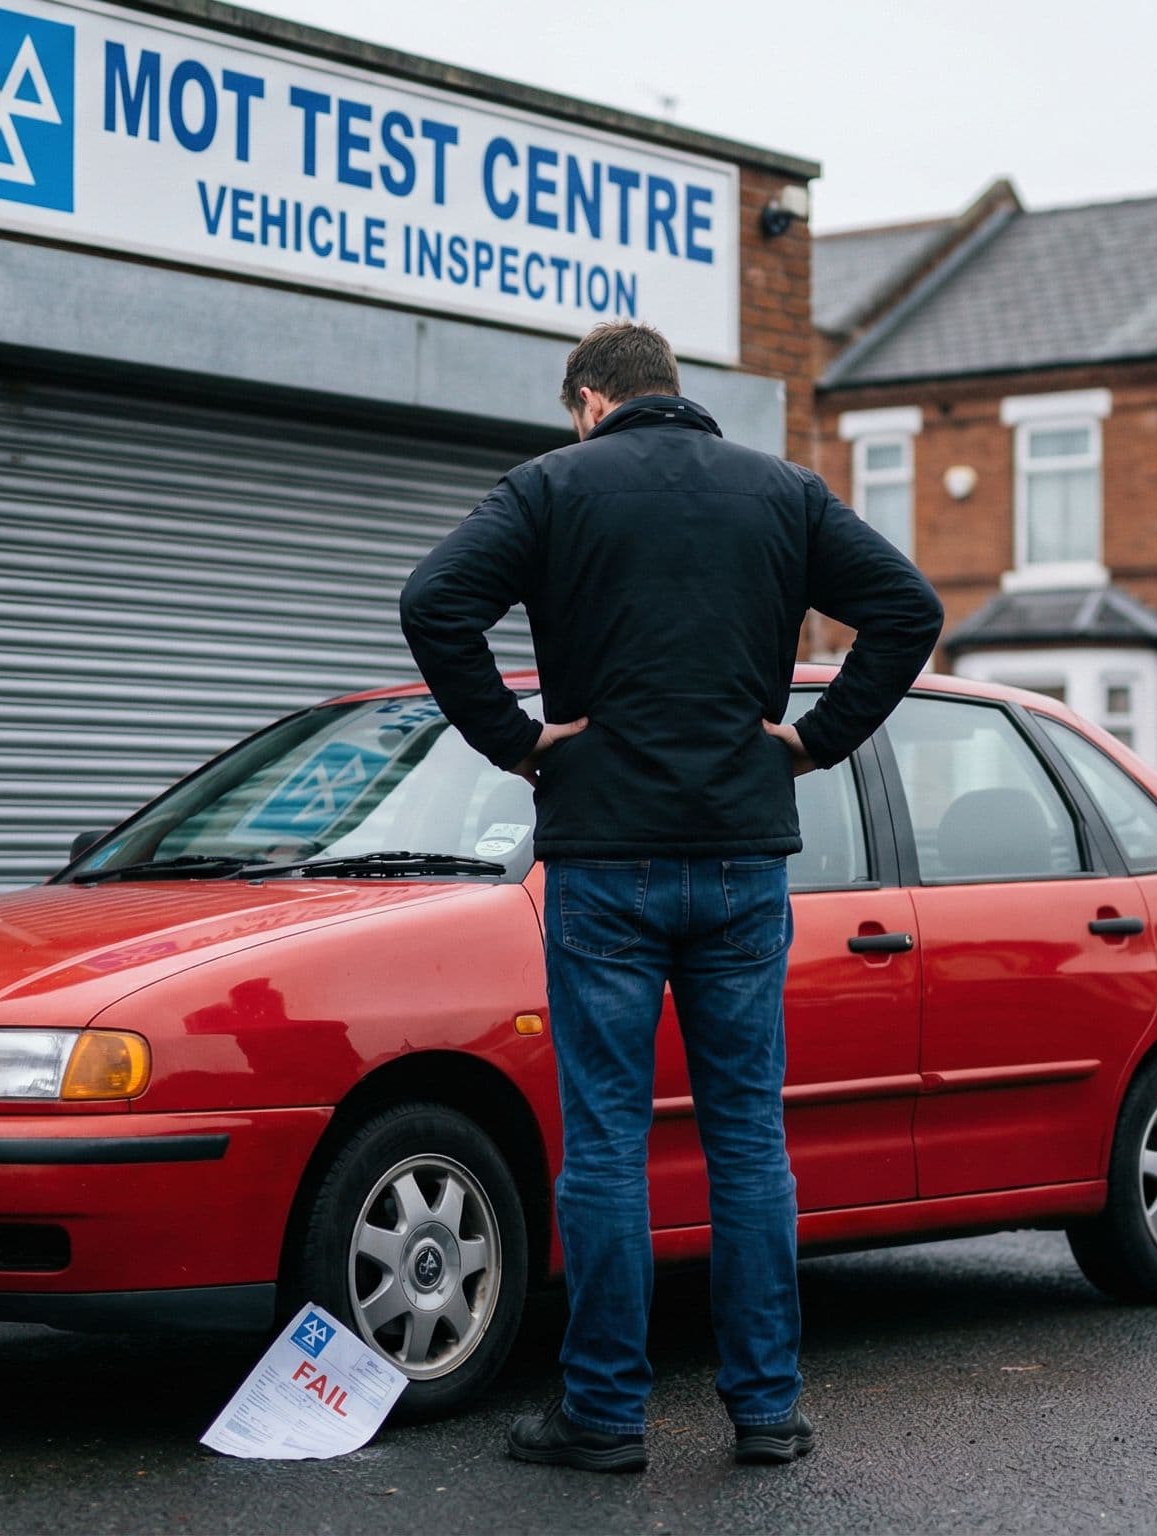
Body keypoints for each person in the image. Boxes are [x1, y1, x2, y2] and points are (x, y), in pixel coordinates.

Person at [399, 321, 941, 1472]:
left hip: (602, 857)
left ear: (590, 400)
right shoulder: (781, 493)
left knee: (603, 1140)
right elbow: (908, 611)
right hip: (745, 854)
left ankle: (602, 1417)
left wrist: (521, 742)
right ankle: (766, 1413)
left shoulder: (550, 486)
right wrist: (809, 742)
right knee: (748, 1140)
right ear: (673, 393)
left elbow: (433, 603)